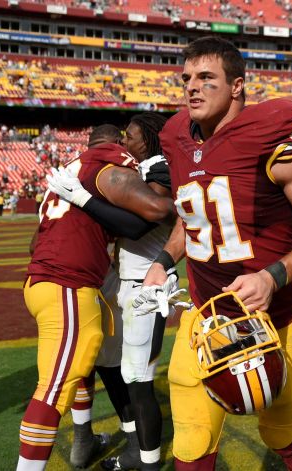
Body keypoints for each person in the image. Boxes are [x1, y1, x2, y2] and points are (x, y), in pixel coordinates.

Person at [137, 37, 292, 470]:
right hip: (208, 312)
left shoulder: (269, 131)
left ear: (237, 86)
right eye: (186, 79)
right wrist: (162, 263)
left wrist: (273, 275)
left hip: (271, 317)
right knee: (192, 441)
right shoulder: (176, 135)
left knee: (280, 433)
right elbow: (193, 215)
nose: (191, 88)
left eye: (205, 78)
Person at [17, 124, 174, 471]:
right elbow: (151, 213)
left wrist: (86, 212)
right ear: (117, 144)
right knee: (57, 387)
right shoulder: (110, 164)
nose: (128, 143)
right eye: (125, 137)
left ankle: (86, 440)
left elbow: (34, 244)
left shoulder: (72, 167)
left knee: (94, 363)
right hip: (72, 285)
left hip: (44, 283)